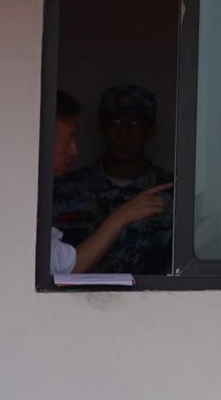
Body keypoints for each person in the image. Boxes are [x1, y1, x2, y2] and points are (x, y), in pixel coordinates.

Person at [51, 83, 174, 274]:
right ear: (101, 128)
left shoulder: (171, 191)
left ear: (150, 131)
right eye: (115, 123)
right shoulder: (61, 189)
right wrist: (121, 217)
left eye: (134, 124)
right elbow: (61, 266)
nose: (123, 134)